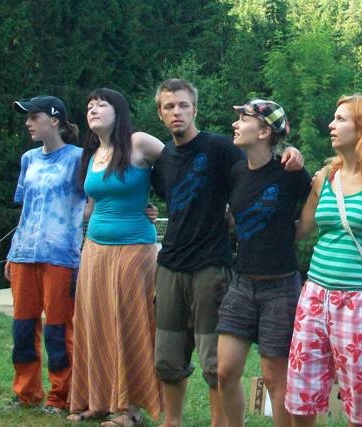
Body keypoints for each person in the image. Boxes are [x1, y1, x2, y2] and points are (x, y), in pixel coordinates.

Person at [150, 79, 303, 427]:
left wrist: (291, 151)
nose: (177, 112)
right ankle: (172, 421)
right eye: (169, 106)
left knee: (218, 364)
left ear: (195, 109)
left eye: (183, 105)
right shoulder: (165, 159)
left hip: (214, 266)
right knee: (170, 358)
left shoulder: (221, 149)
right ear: (160, 114)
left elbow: (263, 168)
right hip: (173, 264)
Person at [285, 95, 362, 426]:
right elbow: (300, 230)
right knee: (301, 397)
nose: (331, 125)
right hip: (314, 297)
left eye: (341, 119)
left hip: (361, 302)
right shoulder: (325, 177)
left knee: (361, 403)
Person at [67, 88, 164, 426]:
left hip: (134, 248)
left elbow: (179, 168)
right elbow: (92, 206)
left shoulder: (139, 142)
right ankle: (96, 400)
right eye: (89, 105)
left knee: (128, 323)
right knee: (93, 322)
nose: (93, 109)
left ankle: (129, 409)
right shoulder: (92, 154)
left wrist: (158, 205)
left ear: (118, 110)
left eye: (101, 104)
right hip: (94, 249)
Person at [216, 99, 311, 427]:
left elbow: (323, 204)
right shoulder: (236, 172)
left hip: (281, 287)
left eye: (243, 119)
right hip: (241, 283)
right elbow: (235, 216)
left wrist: (296, 153)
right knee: (225, 371)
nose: (235, 124)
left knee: (274, 377)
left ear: (264, 132)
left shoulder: (290, 173)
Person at [5, 95, 84, 414]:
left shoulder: (79, 158)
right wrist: (12, 252)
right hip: (23, 254)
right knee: (23, 327)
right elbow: (26, 210)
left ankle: (61, 396)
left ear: (55, 120)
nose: (28, 123)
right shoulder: (28, 159)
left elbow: (95, 202)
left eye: (33, 117)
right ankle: (26, 393)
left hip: (61, 256)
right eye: (27, 118)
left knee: (58, 329)